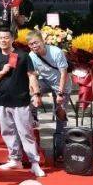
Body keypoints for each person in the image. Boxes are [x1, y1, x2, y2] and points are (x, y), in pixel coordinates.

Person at [0, 28, 45, 178]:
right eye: (0, 38)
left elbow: (31, 76)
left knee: (26, 132)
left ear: (12, 39)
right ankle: (15, 159)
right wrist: (2, 72)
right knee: (7, 132)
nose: (3, 40)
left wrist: (36, 94)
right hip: (2, 101)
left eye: (6, 37)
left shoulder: (23, 55)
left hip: (21, 101)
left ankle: (34, 163)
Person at [26, 29, 71, 160]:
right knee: (30, 93)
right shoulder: (31, 55)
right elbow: (32, 76)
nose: (34, 46)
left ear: (43, 41)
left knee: (60, 114)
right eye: (31, 44)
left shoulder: (56, 52)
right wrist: (36, 94)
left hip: (61, 83)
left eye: (36, 42)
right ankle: (34, 117)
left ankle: (60, 148)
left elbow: (63, 73)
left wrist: (60, 93)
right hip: (45, 81)